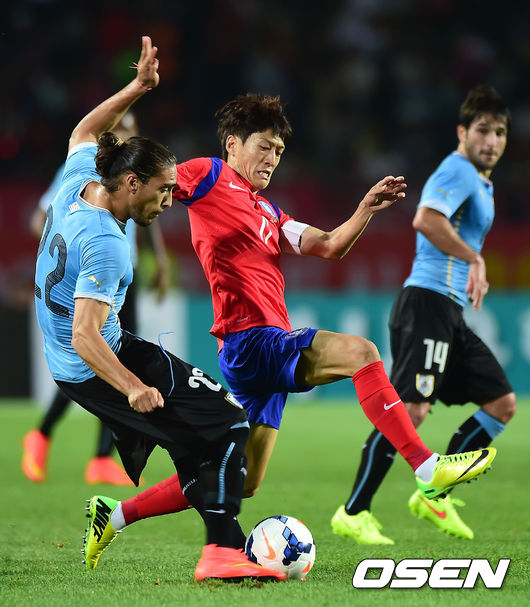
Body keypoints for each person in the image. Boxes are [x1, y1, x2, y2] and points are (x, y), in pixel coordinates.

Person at [82, 92, 498, 570]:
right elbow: (159, 181)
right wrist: (110, 195)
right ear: (232, 144)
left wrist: (365, 208)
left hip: (258, 349)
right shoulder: (210, 174)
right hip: (251, 339)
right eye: (264, 146)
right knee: (361, 353)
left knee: (242, 480)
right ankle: (426, 467)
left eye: (278, 151)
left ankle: (114, 515)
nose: (272, 158)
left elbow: (329, 245)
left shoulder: (269, 212)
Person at [35, 36, 285, 583]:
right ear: (131, 183)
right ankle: (221, 552)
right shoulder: (107, 243)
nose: (170, 202)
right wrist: (132, 387)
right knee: (228, 424)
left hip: (78, 361)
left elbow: (83, 131)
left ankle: (198, 539)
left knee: (201, 440)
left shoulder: (80, 180)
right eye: (164, 191)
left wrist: (138, 87)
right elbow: (85, 335)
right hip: (95, 364)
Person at [332, 84, 516, 544]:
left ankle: (435, 496)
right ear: (462, 132)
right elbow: (426, 219)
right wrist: (474, 258)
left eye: (499, 133)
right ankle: (353, 512)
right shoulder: (457, 170)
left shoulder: (482, 181)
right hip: (427, 304)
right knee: (410, 411)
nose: (491, 141)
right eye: (483, 130)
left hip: (449, 312)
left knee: (501, 404)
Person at [22, 112, 170, 486]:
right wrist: (68, 254)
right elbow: (42, 218)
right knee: (96, 358)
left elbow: (145, 218)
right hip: (89, 278)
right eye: (121, 130)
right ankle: (42, 434)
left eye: (132, 131)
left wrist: (160, 258)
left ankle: (101, 459)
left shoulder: (135, 179)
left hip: (121, 274)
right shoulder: (85, 171)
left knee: (113, 359)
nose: (127, 136)